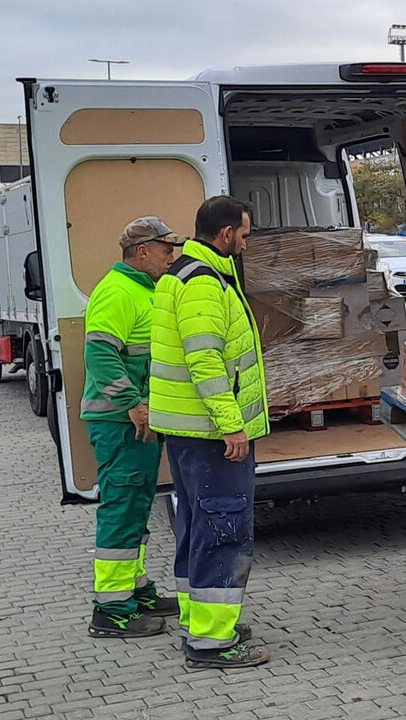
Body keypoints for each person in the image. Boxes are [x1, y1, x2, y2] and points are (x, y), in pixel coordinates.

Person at [149, 196, 270, 668]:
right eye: (244, 233)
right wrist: (232, 425)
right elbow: (205, 360)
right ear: (224, 235)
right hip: (210, 434)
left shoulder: (184, 273)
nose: (247, 240)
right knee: (222, 529)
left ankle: (200, 620)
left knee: (198, 525)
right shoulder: (203, 283)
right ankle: (211, 642)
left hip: (189, 432)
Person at [85, 217, 184, 638]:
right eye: (166, 250)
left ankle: (135, 588)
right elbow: (100, 355)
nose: (171, 256)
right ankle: (111, 610)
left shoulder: (143, 289)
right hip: (120, 421)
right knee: (122, 508)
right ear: (142, 252)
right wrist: (134, 405)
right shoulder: (118, 291)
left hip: (132, 419)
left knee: (136, 507)